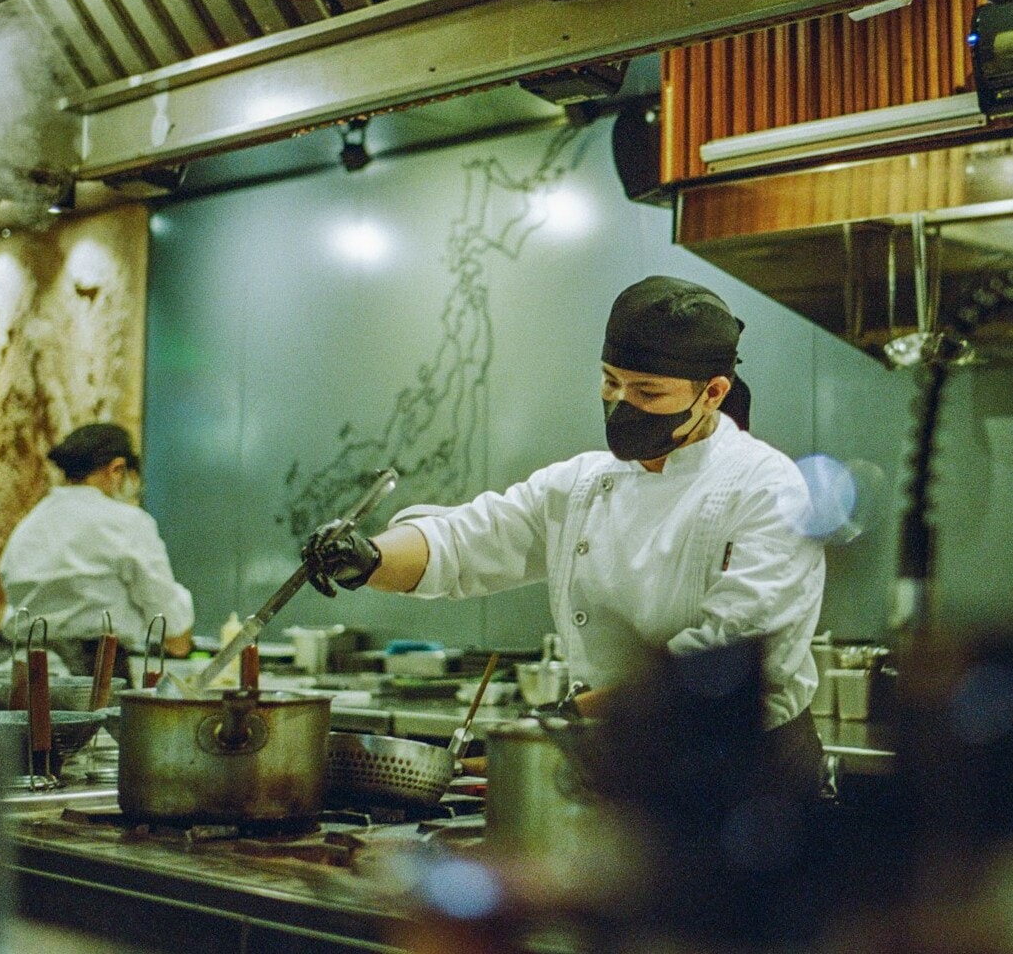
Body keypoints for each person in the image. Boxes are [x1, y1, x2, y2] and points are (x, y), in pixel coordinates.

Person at [305, 276, 827, 795]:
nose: (622, 403)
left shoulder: (769, 489)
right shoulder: (581, 483)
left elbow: (717, 670)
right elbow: (466, 541)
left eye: (647, 392)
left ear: (713, 393)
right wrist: (368, 558)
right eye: (609, 382)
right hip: (619, 760)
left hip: (743, 779)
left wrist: (563, 721)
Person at [0, 423, 194, 675]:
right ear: (117, 469)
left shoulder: (30, 524)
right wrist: (179, 635)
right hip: (97, 674)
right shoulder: (127, 522)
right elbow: (170, 625)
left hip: (26, 674)